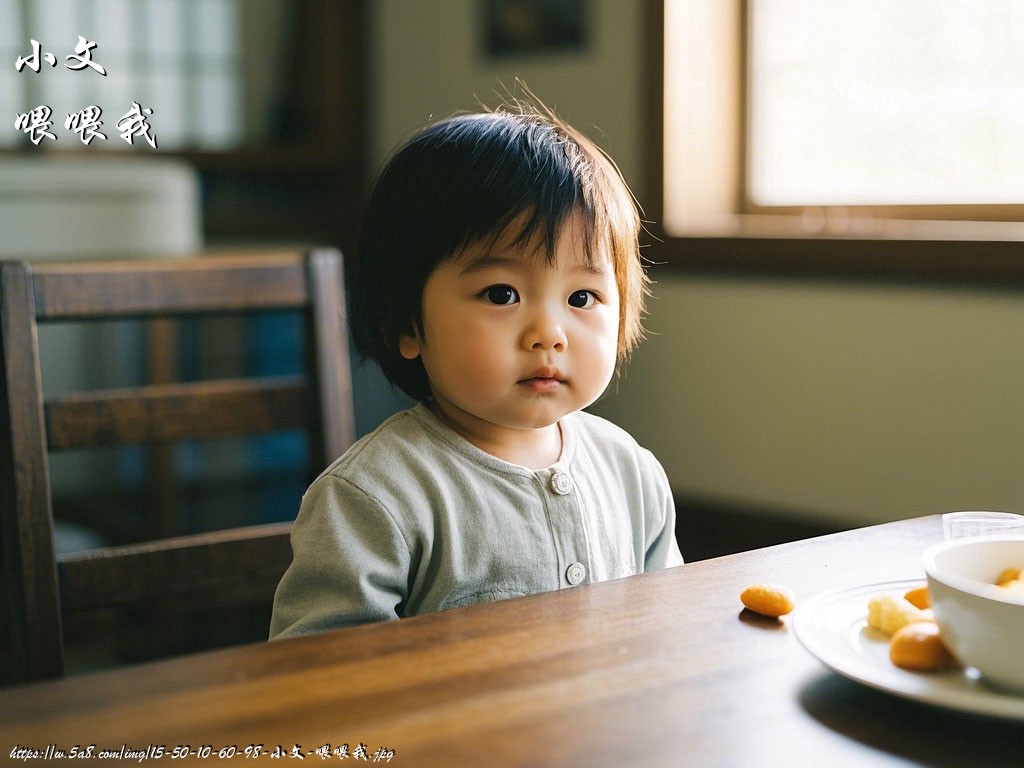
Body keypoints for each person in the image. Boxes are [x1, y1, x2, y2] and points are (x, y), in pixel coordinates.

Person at [269, 98, 684, 639]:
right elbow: (316, 674)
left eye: (582, 297)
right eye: (502, 293)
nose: (549, 333)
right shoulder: (373, 497)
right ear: (408, 325)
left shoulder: (631, 472)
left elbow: (670, 625)